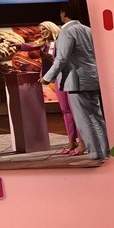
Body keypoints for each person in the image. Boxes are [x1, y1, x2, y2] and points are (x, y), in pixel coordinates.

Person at [41, 6, 109, 160]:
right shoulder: (88, 30)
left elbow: (62, 58)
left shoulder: (67, 31)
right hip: (92, 77)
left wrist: (47, 77)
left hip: (76, 81)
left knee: (83, 119)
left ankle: (94, 152)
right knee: (97, 117)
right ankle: (105, 150)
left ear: (64, 13)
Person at [25, 20, 83, 155]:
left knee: (75, 110)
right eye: (40, 31)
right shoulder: (43, 44)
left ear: (51, 29)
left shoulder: (61, 41)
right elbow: (28, 46)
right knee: (65, 110)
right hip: (56, 78)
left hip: (68, 77)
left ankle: (82, 140)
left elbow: (60, 59)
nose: (42, 33)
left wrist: (44, 55)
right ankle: (71, 140)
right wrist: (17, 46)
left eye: (44, 29)